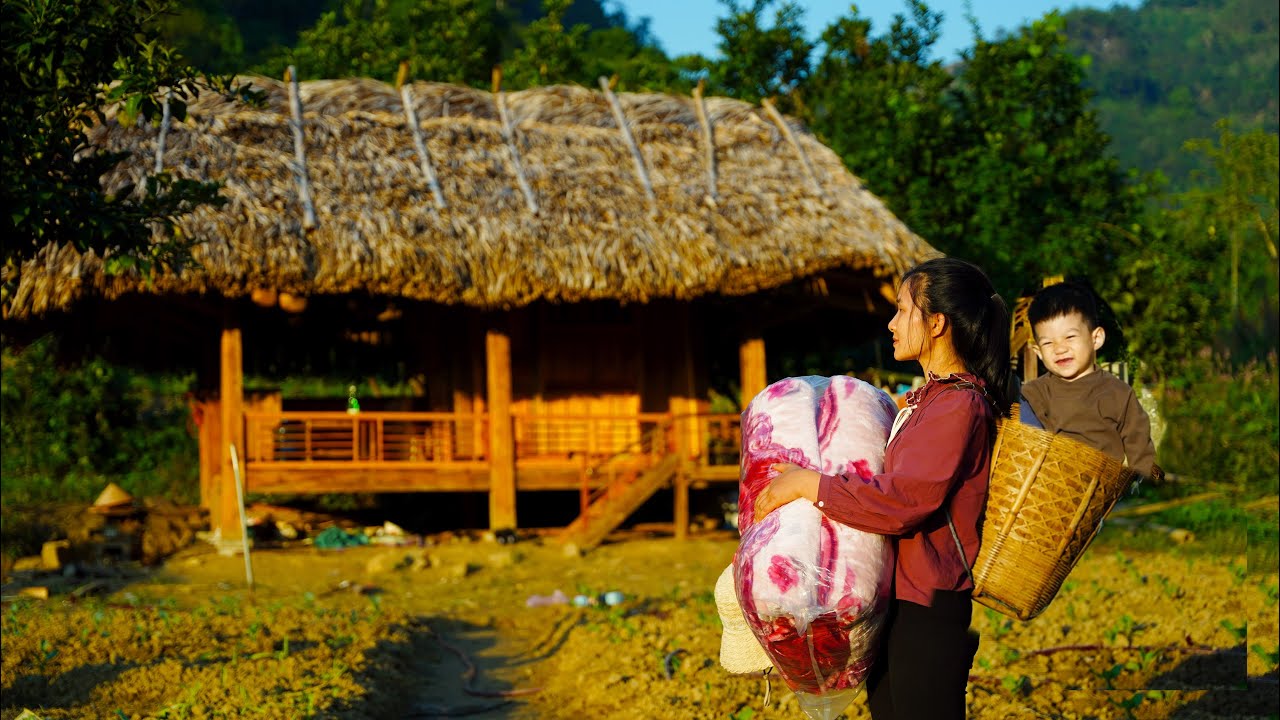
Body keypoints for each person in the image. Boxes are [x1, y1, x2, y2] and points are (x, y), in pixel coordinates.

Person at [751, 256, 1016, 720]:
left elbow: (902, 500)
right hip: (899, 599)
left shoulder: (957, 405)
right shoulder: (929, 400)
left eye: (901, 309)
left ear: (935, 323)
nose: (892, 323)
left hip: (929, 605)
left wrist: (811, 484)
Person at [1021, 280, 1156, 476]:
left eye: (1070, 337)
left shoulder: (1118, 394)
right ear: (1038, 352)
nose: (1060, 349)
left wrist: (1143, 479)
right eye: (1048, 342)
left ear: (1096, 339)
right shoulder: (1032, 394)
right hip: (1047, 490)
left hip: (1099, 492)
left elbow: (1139, 446)